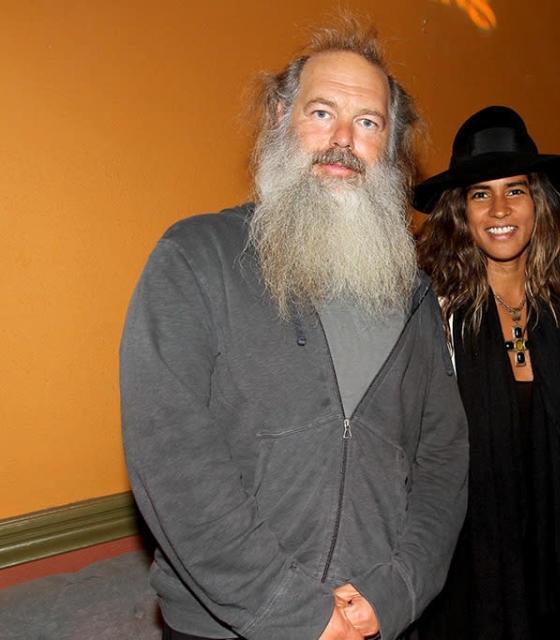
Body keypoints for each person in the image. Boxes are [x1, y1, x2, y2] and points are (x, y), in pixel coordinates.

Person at [119, 23, 468, 640]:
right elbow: (171, 453)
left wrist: (399, 590)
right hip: (229, 624)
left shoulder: (412, 291)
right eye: (322, 112)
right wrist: (298, 612)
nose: (342, 140)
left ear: (389, 147)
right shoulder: (196, 257)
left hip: (376, 620)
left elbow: (442, 459)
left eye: (368, 123)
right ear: (282, 118)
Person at [411, 106, 560, 640]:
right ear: (459, 212)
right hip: (467, 560)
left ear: (539, 201)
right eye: (479, 194)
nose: (499, 209)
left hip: (555, 550)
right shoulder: (431, 308)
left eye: (515, 190)